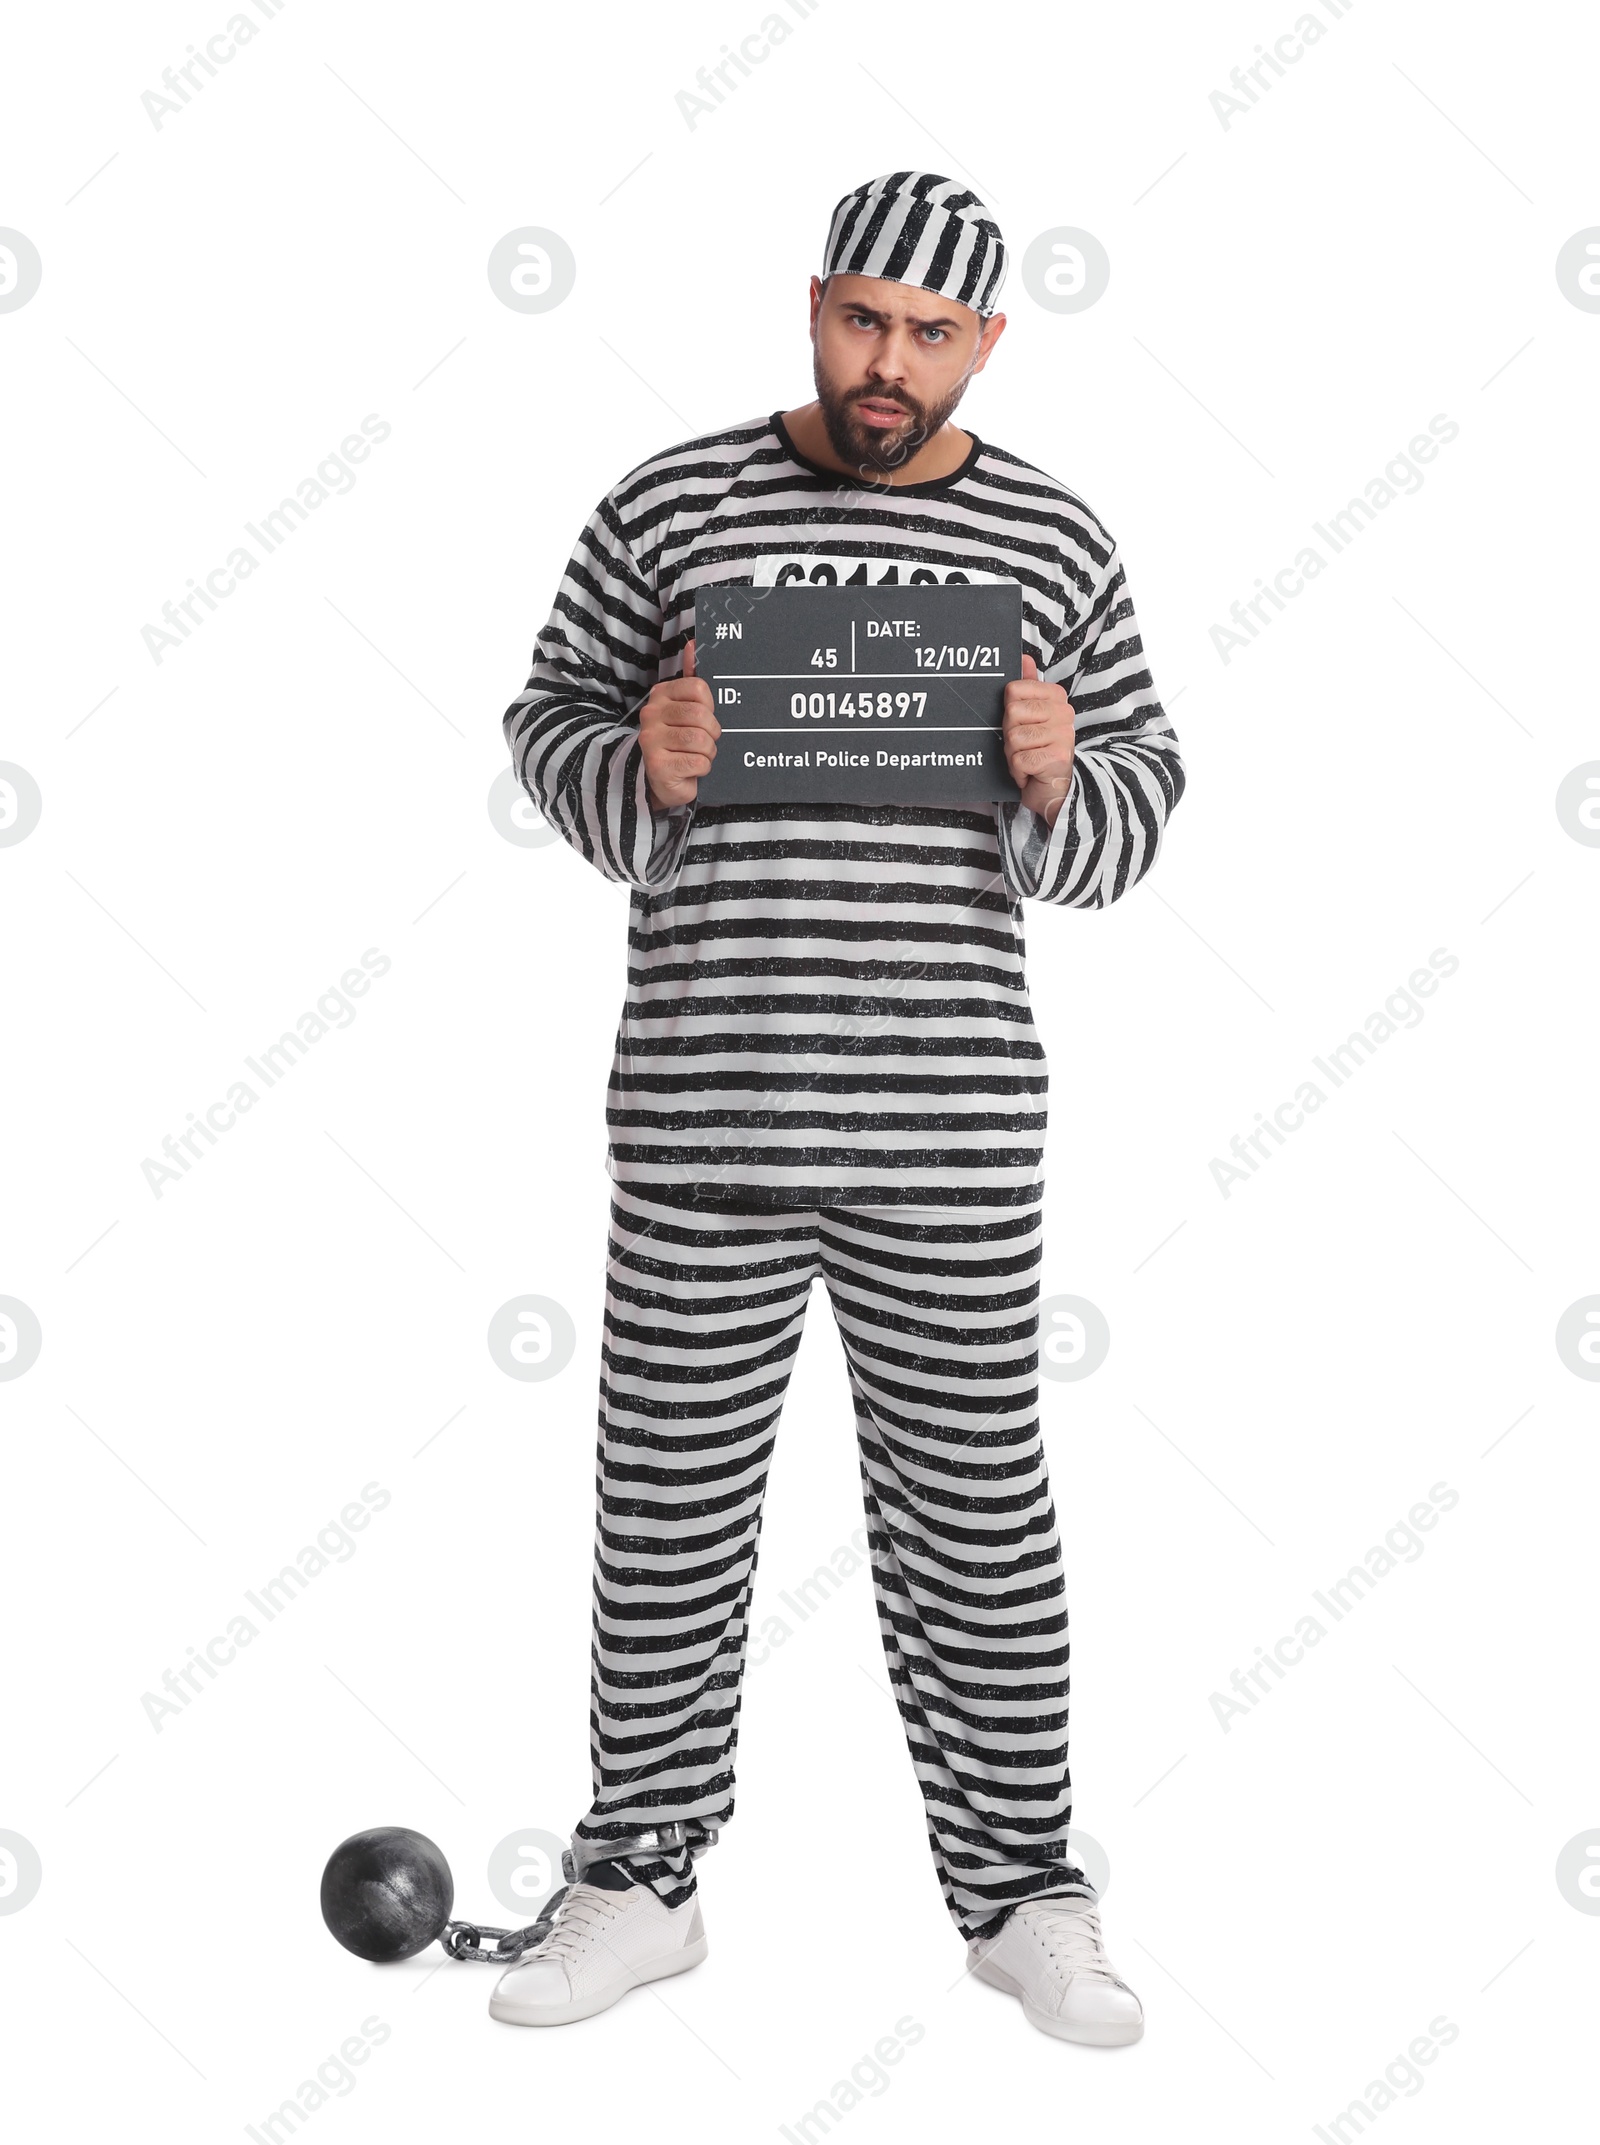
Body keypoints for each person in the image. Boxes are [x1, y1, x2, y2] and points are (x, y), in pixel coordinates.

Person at [492, 170, 1185, 2045]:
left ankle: (1025, 1890)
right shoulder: (669, 503)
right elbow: (545, 719)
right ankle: (637, 1877)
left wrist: (1063, 778)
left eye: (931, 333)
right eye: (862, 318)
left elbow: (1140, 799)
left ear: (988, 343)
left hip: (947, 1129)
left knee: (976, 1515)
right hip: (705, 1112)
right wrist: (635, 759)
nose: (889, 364)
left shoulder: (1049, 532)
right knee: (668, 1511)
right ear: (815, 303)